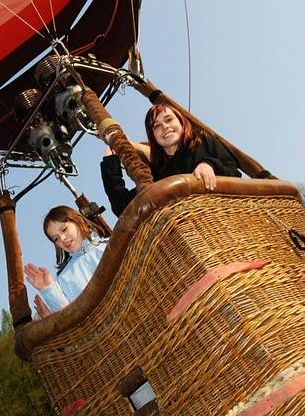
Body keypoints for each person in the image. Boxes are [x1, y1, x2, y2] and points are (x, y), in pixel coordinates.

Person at [101, 104, 242, 217]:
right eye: (156, 126)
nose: (165, 127)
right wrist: (110, 162)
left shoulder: (203, 140)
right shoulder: (156, 175)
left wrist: (209, 164)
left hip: (224, 219)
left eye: (169, 120)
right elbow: (122, 208)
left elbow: (234, 172)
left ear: (181, 122)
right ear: (153, 135)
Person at [24, 206, 108, 315]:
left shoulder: (109, 244)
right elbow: (69, 317)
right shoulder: (63, 279)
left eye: (64, 229)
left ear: (78, 221)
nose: (62, 239)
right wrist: (49, 290)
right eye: (56, 239)